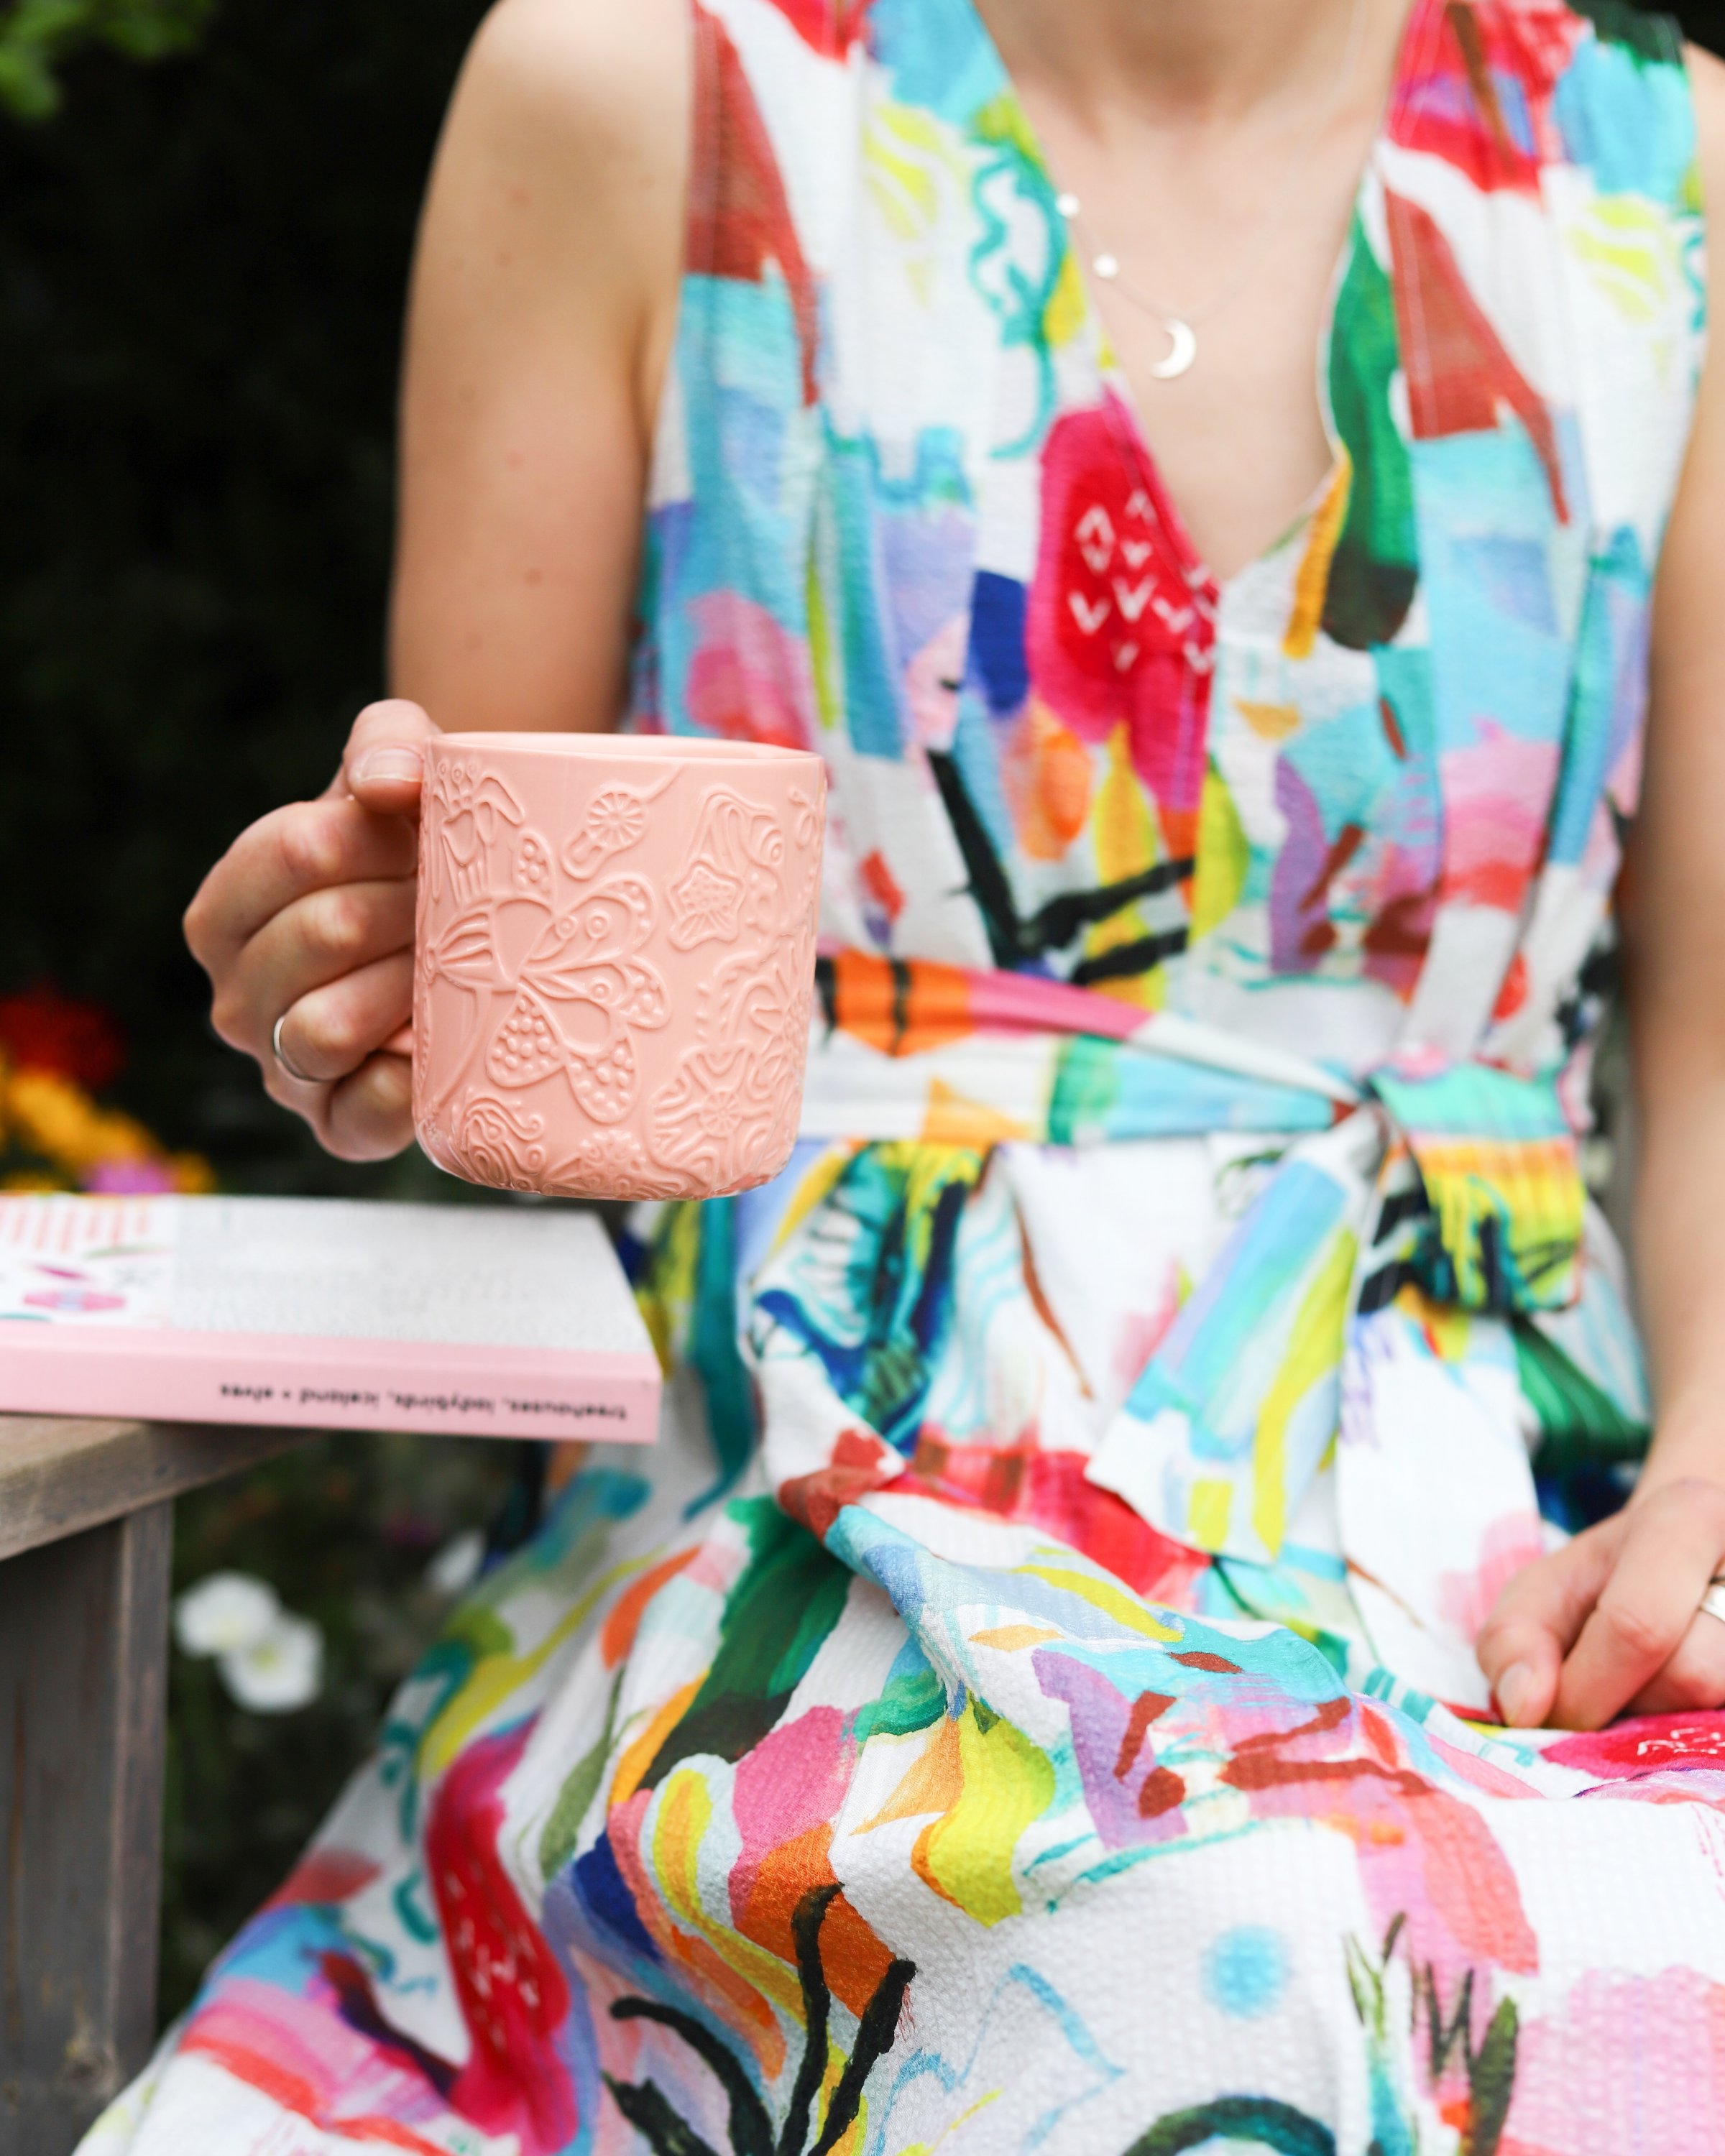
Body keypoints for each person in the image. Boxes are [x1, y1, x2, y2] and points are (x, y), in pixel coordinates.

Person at [83, 0, 1725, 2146]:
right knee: (1196, 1949)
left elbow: (1709, 1046)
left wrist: (1708, 1486)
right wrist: (374, 990)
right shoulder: (638, 87)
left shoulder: (1667, 170)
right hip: (820, 1492)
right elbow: (494, 978)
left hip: (1512, 1524)